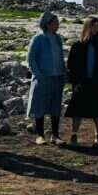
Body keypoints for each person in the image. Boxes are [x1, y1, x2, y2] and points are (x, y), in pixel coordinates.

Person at [65, 17, 98, 146]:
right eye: (94, 26)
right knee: (77, 110)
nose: (96, 28)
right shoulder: (77, 46)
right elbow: (72, 66)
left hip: (96, 82)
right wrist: (75, 82)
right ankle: (74, 135)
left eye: (97, 26)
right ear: (87, 27)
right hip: (81, 82)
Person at [27, 11, 66, 145]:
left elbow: (61, 57)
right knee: (40, 106)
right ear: (48, 24)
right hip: (43, 77)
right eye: (55, 23)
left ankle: (55, 135)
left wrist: (64, 74)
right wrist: (38, 74)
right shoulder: (38, 39)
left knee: (55, 106)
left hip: (57, 77)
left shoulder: (57, 38)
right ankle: (40, 135)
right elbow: (31, 58)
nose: (58, 25)